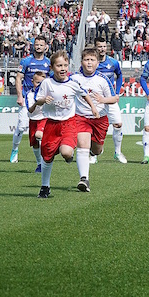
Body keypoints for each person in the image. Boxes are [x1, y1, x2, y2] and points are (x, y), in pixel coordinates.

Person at [36, 51, 99, 199]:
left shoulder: (72, 84)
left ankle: (65, 150)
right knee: (47, 158)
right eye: (59, 65)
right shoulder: (47, 83)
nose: (63, 68)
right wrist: (44, 99)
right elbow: (37, 100)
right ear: (52, 67)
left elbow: (84, 94)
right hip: (51, 124)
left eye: (65, 65)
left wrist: (93, 107)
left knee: (66, 152)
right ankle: (45, 187)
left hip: (68, 124)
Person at [71, 48, 117, 192]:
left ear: (97, 63)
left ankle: (94, 152)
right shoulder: (75, 79)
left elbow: (115, 98)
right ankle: (84, 179)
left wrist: (103, 100)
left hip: (100, 119)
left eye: (92, 60)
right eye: (86, 59)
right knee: (82, 146)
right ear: (82, 62)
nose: (89, 63)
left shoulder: (103, 79)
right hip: (81, 117)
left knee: (97, 150)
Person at [11, 36, 50, 163]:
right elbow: (18, 78)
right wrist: (19, 96)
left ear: (45, 46)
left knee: (42, 131)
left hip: (43, 100)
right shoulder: (26, 61)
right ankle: (15, 149)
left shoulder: (48, 63)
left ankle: (42, 159)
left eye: (41, 44)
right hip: (28, 99)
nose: (38, 46)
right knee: (22, 127)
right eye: (36, 44)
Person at [95, 37, 127, 163]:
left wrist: (117, 92)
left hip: (110, 99)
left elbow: (119, 75)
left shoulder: (113, 62)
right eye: (99, 46)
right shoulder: (92, 62)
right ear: (95, 47)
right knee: (95, 126)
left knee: (118, 124)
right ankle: (93, 154)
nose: (102, 49)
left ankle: (117, 153)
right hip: (96, 100)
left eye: (104, 46)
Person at [24, 72, 49, 173]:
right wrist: (37, 103)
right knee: (34, 143)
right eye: (37, 82)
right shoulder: (29, 94)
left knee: (39, 135)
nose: (39, 85)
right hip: (33, 120)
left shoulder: (47, 93)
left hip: (43, 118)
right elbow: (30, 110)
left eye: (41, 83)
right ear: (32, 81)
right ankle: (39, 164)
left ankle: (45, 161)